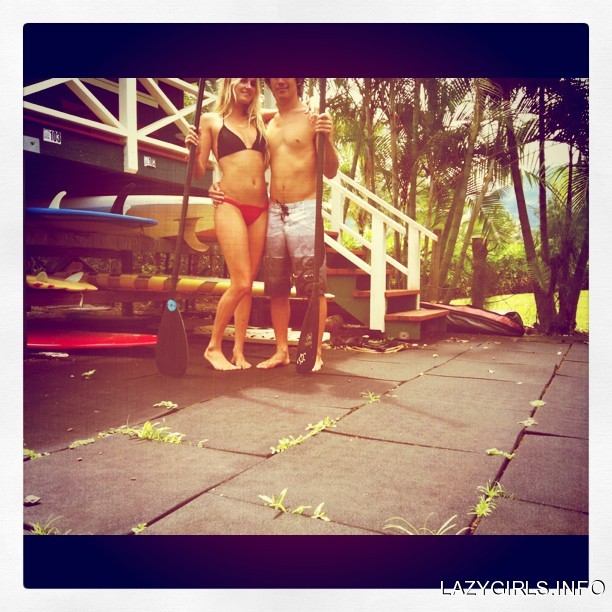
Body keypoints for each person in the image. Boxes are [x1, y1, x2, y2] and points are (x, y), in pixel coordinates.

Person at [214, 78, 339, 372]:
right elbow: (245, 161)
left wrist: (328, 138)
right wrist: (218, 186)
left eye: (287, 75)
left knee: (313, 287)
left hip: (305, 208)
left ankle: (314, 352)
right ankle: (281, 351)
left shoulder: (313, 118)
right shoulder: (266, 124)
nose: (281, 80)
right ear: (269, 85)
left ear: (298, 80)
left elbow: (331, 171)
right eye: (274, 77)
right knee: (277, 288)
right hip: (273, 210)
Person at [185, 78, 269, 371]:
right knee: (241, 281)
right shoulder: (211, 121)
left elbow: (288, 113)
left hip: (261, 208)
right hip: (230, 204)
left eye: (254, 83)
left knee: (247, 285)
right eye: (243, 80)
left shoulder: (260, 121)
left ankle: (239, 351)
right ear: (229, 84)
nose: (249, 86)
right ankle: (213, 347)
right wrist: (192, 149)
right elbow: (198, 172)